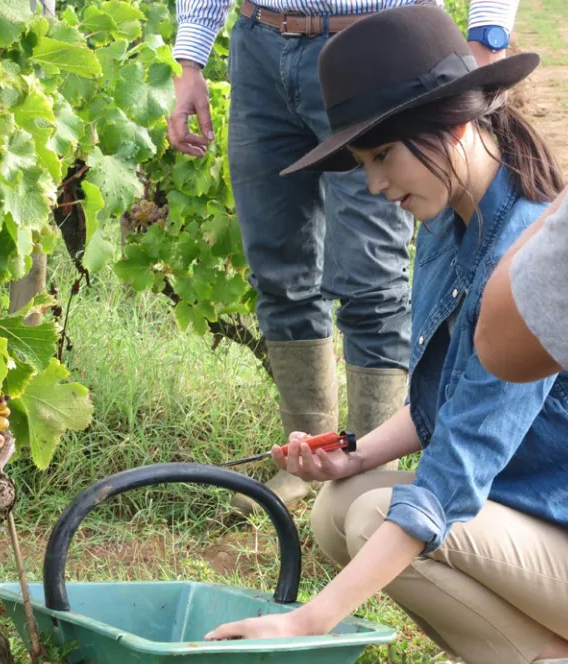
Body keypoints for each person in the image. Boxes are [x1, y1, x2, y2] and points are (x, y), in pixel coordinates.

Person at [204, 6, 568, 664]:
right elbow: (445, 399)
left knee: (375, 516)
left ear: (451, 125)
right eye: (363, 164)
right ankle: (509, 659)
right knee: (338, 503)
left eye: (381, 155)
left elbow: (450, 479)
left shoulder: (518, 262)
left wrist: (308, 619)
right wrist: (354, 451)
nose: (375, 182)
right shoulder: (453, 220)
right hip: (541, 520)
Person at [169, 0, 522, 513]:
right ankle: (308, 461)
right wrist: (191, 59)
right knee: (277, 271)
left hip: (377, 51)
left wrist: (488, 33)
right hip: (260, 43)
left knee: (371, 283)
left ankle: (370, 474)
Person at [475, 142, 568, 382]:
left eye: (385, 155)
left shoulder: (517, 223)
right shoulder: (442, 227)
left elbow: (501, 344)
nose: (379, 185)